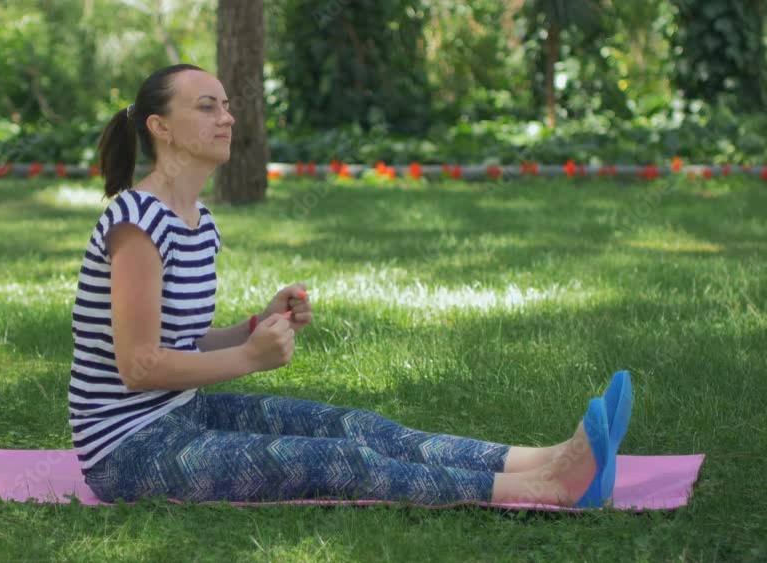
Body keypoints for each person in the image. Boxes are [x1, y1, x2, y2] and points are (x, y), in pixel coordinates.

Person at [69, 63, 631, 509]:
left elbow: (180, 342)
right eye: (207, 106)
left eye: (228, 105)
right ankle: (546, 489)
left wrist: (252, 325)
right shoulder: (135, 224)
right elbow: (139, 366)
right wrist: (249, 356)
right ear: (159, 127)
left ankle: (547, 458)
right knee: (341, 461)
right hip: (130, 451)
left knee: (355, 427)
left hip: (182, 416)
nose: (227, 118)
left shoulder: (199, 220)